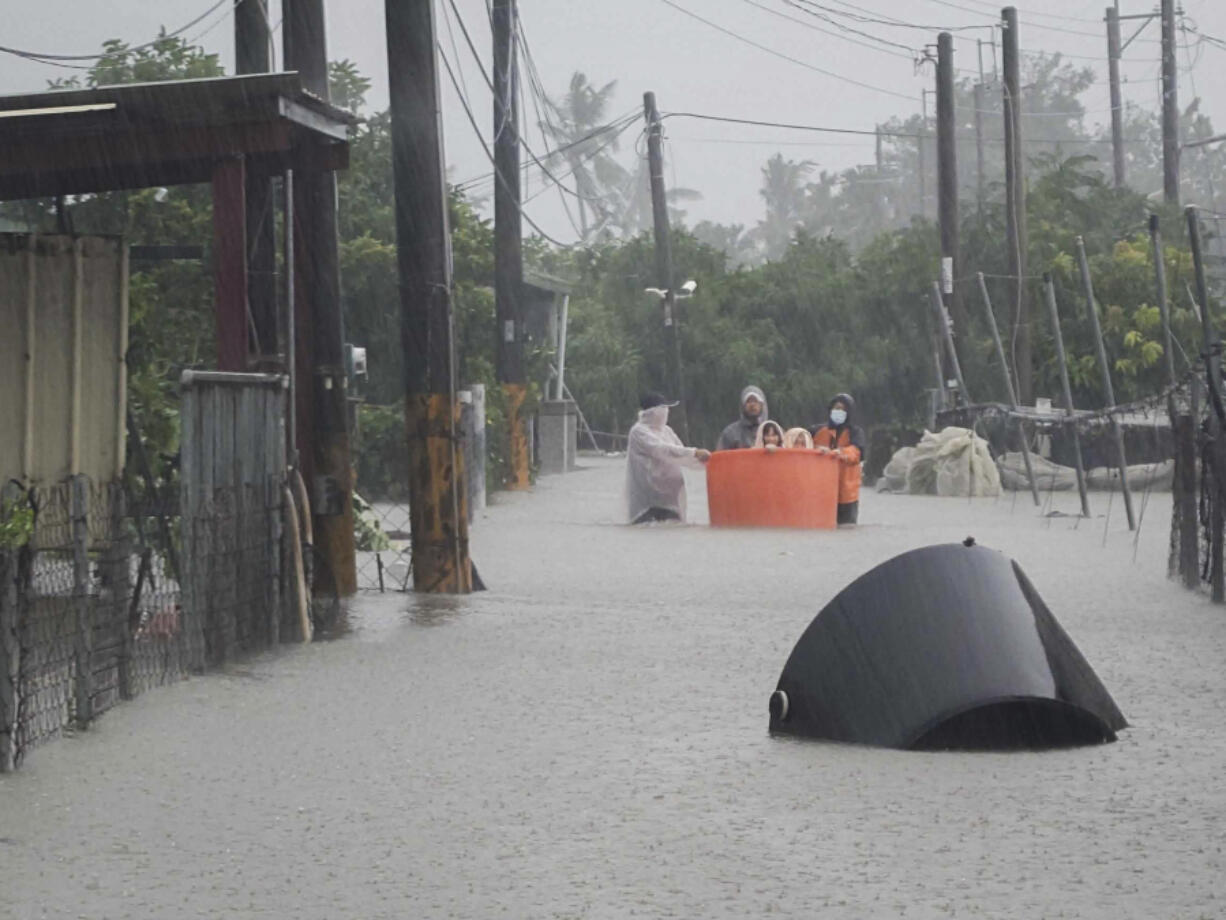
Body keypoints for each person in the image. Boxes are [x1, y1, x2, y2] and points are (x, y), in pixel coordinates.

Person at [626, 392, 711, 524]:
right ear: (652, 412)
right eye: (663, 408)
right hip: (648, 501)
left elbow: (682, 456)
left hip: (670, 498)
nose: (666, 412)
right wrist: (695, 452)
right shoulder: (638, 431)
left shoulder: (667, 431)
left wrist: (709, 463)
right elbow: (662, 450)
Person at [812, 393, 866, 525]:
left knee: (846, 528)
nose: (839, 412)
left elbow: (857, 452)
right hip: (820, 490)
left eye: (843, 409)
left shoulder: (855, 432)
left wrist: (840, 453)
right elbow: (800, 443)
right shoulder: (817, 430)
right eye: (836, 408)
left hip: (847, 493)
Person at [715, 385, 769, 451]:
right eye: (748, 401)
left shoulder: (773, 431)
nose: (752, 405)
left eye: (755, 401)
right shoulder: (730, 433)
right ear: (743, 406)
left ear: (762, 405)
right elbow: (720, 457)